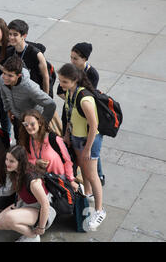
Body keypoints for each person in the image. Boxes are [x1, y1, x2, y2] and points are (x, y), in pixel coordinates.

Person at [58, 63, 106, 231]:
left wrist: (87, 148)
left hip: (88, 141)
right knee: (84, 171)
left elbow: (94, 126)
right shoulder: (70, 93)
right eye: (60, 81)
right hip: (76, 138)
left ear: (75, 80)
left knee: (92, 175)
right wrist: (66, 134)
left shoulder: (84, 99)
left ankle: (100, 210)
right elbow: (69, 115)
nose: (61, 85)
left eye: (64, 82)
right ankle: (87, 193)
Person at [57, 42, 104, 186]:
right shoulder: (70, 71)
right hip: (71, 117)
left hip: (84, 120)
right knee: (76, 150)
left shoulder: (92, 74)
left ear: (85, 59)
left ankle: (99, 175)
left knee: (91, 154)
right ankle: (77, 176)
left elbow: (91, 97)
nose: (72, 61)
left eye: (75, 58)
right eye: (71, 57)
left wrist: (75, 101)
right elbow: (59, 92)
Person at [0, 145, 57, 242]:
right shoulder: (14, 172)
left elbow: (45, 205)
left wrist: (41, 228)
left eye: (11, 161)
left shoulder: (33, 180)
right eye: (7, 159)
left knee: (9, 217)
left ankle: (33, 236)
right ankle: (27, 227)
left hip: (40, 209)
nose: (7, 163)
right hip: (25, 203)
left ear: (20, 162)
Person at [0, 56, 56, 142]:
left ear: (19, 76)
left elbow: (51, 104)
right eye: (4, 73)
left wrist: (42, 123)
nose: (5, 77)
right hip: (18, 119)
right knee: (19, 142)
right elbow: (4, 96)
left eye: (10, 75)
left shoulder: (30, 88)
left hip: (32, 123)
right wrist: (9, 110)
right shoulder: (2, 80)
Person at [18, 109, 78, 191]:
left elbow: (67, 160)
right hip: (42, 180)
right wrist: (36, 162)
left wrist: (71, 180)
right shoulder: (26, 140)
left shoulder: (53, 139)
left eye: (32, 124)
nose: (29, 127)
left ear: (39, 123)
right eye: (26, 124)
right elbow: (26, 160)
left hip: (59, 180)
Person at [8, 19, 50, 97]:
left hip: (34, 96)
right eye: (10, 34)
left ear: (24, 36)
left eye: (15, 34)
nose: (11, 37)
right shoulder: (10, 52)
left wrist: (45, 98)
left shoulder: (36, 54)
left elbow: (45, 77)